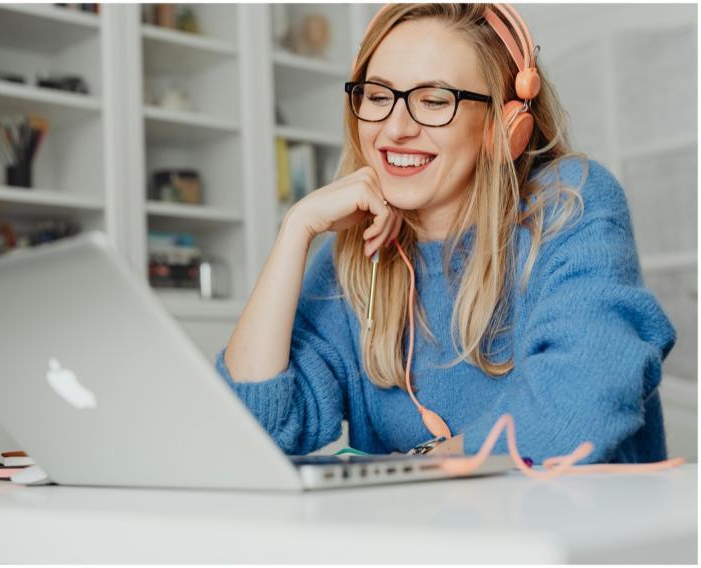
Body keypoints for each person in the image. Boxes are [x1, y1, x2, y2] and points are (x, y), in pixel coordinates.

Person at [215, 3, 676, 464]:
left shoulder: (570, 206)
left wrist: (416, 464)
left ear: (503, 127)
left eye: (434, 101)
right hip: (427, 535)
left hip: (568, 530)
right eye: (377, 97)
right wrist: (297, 229)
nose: (395, 129)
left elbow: (579, 409)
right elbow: (252, 433)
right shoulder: (355, 257)